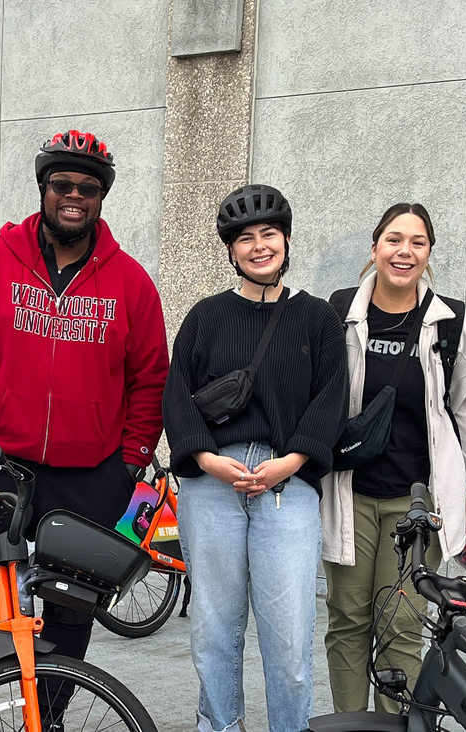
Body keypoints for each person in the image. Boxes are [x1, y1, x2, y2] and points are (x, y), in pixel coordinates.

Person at [0, 129, 168, 663]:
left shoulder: (132, 284)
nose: (74, 196)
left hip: (89, 474)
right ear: (43, 188)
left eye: (89, 187)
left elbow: (150, 380)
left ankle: (50, 715)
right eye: (62, 184)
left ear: (102, 197)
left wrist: (129, 464)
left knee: (70, 609)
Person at [163, 183, 346, 732]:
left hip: (286, 484)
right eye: (246, 238)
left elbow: (331, 397)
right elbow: (176, 393)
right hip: (211, 481)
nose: (259, 246)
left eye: (269, 234)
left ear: (286, 240)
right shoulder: (205, 317)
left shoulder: (316, 318)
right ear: (231, 250)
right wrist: (207, 459)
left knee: (289, 636)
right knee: (214, 629)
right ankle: (220, 725)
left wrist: (290, 461)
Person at [320, 202, 466, 713]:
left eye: (417, 242)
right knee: (348, 618)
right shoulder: (340, 311)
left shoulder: (448, 321)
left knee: (403, 624)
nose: (404, 251)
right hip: (352, 491)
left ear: (429, 254)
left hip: (416, 503)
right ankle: (351, 725)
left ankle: (398, 727)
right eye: (394, 239)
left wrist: (460, 480)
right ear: (375, 249)